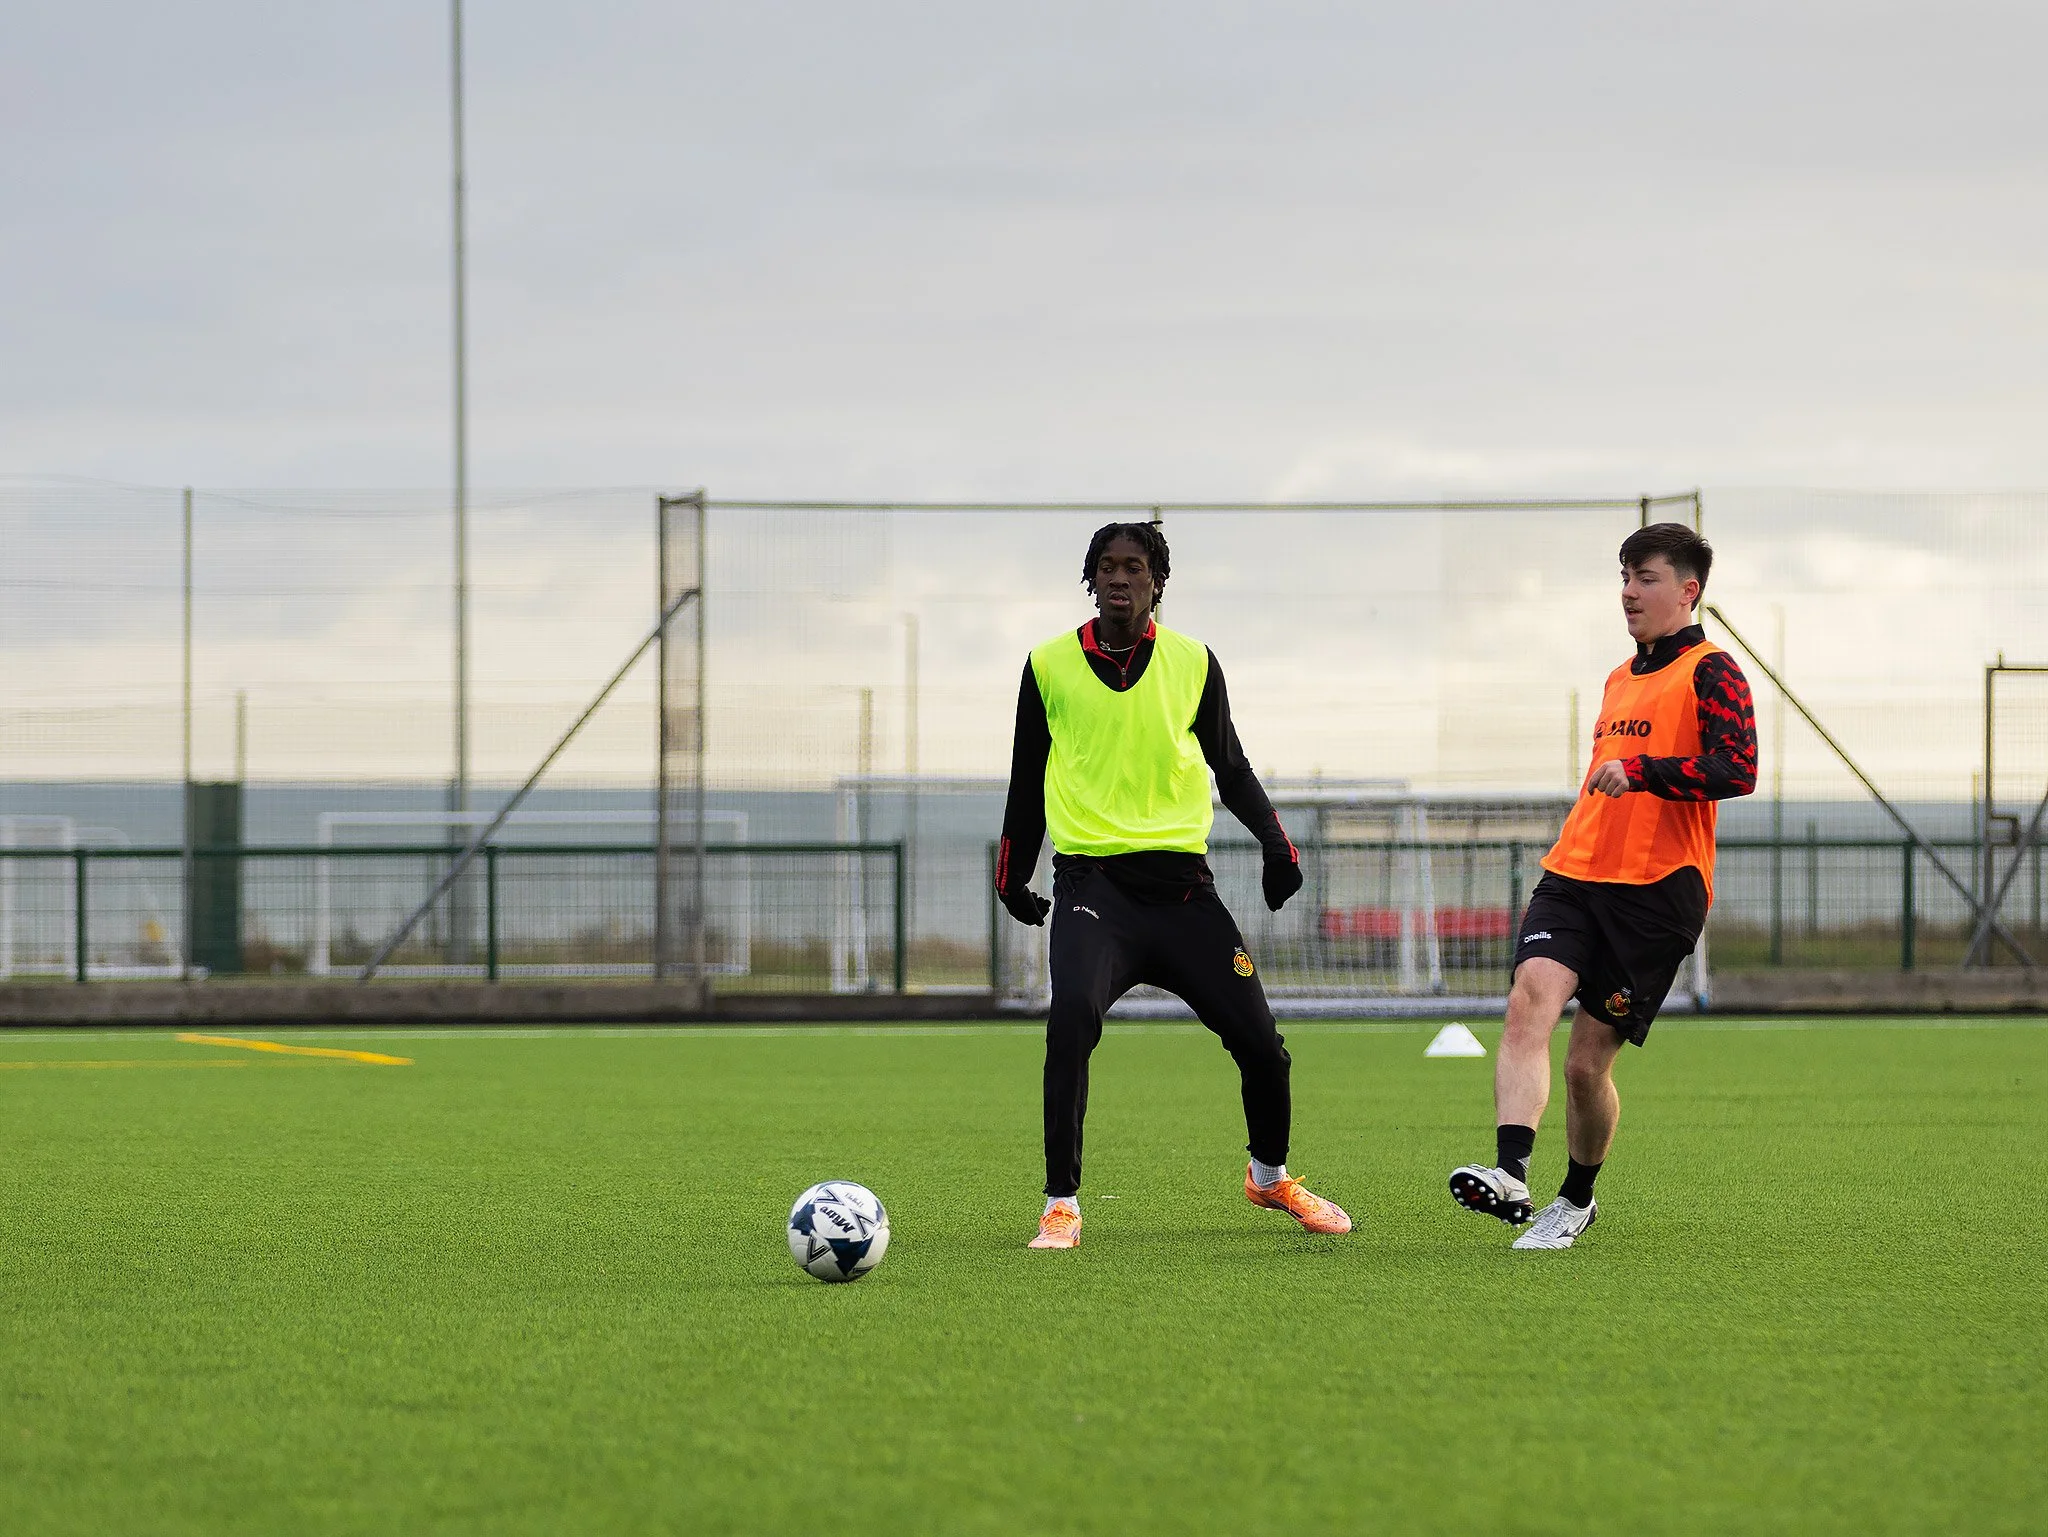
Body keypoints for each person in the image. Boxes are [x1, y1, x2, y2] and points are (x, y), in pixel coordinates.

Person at [996, 521, 1351, 1250]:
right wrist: (1012, 874)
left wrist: (1277, 847)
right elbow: (1025, 779)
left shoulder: (1193, 662)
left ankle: (1270, 1175)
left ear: (1159, 583)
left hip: (1185, 894)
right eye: (1107, 566)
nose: (1120, 577)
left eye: (1135, 566)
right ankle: (1061, 1202)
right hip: (1094, 888)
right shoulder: (1048, 665)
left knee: (1262, 1043)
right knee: (1069, 1027)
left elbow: (1232, 764)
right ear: (1090, 580)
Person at [1450, 522, 1757, 1249]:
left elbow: (1737, 768)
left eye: (1645, 578)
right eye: (1623, 576)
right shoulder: (1620, 676)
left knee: (1587, 1064)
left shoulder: (1713, 671)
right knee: (1529, 1001)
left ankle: (1576, 1199)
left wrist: (1648, 770)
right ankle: (1511, 1172)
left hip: (1656, 894)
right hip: (1575, 873)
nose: (1628, 591)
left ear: (1689, 590)